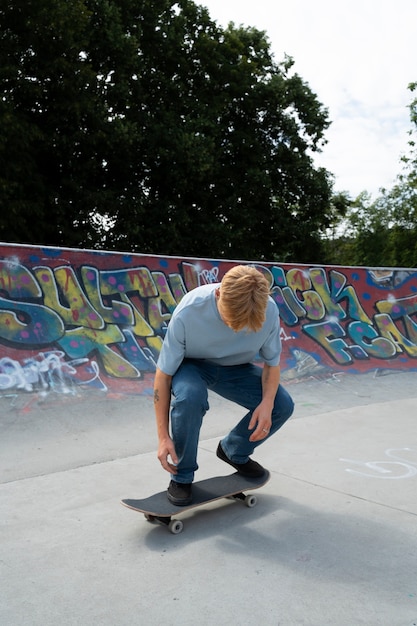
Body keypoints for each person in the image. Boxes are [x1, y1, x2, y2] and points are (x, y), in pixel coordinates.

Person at [153, 265, 294, 506]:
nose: (234, 328)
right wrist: (163, 437)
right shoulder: (189, 310)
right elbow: (163, 376)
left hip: (236, 369)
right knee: (189, 398)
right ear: (218, 294)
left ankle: (234, 451)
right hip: (192, 366)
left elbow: (272, 365)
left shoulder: (268, 310)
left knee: (281, 405)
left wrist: (267, 403)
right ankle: (182, 476)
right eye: (231, 319)